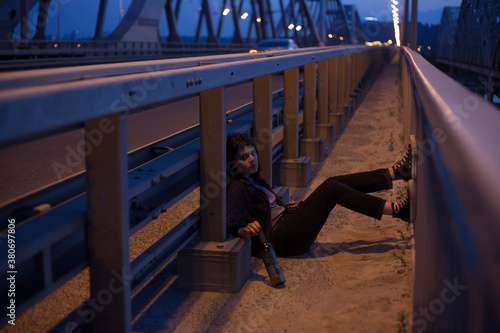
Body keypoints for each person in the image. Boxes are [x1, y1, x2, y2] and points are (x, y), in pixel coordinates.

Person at [226, 132, 412, 257]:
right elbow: (228, 221)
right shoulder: (236, 187)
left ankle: (397, 172)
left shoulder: (254, 179)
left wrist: (284, 207)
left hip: (290, 221)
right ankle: (397, 211)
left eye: (253, 153)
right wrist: (243, 230)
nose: (252, 159)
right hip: (283, 239)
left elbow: (268, 208)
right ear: (233, 164)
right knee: (331, 188)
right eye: (244, 157)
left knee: (334, 181)